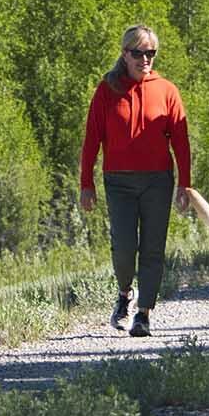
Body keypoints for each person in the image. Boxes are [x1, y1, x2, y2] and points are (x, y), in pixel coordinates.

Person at [80, 24, 191, 337]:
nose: (145, 59)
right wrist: (85, 183)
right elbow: (92, 139)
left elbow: (181, 141)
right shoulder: (107, 90)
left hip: (158, 180)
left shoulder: (167, 90)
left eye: (151, 53)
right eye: (139, 53)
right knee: (125, 247)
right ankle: (124, 293)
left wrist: (186, 183)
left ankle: (143, 313)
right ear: (125, 54)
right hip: (118, 181)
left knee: (153, 247)